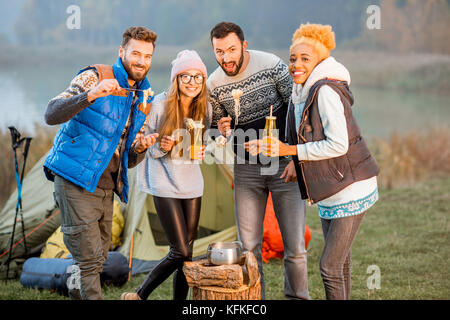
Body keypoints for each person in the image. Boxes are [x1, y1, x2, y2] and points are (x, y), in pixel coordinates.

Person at [252, 23, 380, 300]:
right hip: (331, 187)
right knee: (341, 263)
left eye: (305, 58)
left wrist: (289, 150)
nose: (296, 64)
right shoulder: (302, 92)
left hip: (350, 186)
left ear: (320, 60)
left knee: (329, 267)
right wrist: (294, 163)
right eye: (293, 58)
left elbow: (338, 144)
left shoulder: (325, 92)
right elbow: (308, 138)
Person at [43, 26, 159, 300]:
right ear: (122, 52)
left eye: (148, 56)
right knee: (89, 262)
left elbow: (128, 159)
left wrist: (139, 149)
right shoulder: (94, 76)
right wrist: (90, 95)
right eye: (136, 53)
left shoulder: (144, 97)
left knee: (99, 254)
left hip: (107, 187)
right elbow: (50, 113)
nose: (141, 61)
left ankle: (75, 291)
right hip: (74, 179)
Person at [208, 21, 309, 300]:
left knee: (295, 246)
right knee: (249, 247)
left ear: (244, 45)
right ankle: (255, 301)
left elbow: (298, 108)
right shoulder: (213, 83)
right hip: (246, 169)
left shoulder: (272, 65)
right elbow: (213, 129)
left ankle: (297, 297)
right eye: (219, 51)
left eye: (231, 49)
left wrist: (294, 157)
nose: (226, 57)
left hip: (282, 164)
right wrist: (221, 130)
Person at [120, 50, 210, 300]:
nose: (192, 83)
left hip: (192, 184)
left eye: (198, 77)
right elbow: (141, 145)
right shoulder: (158, 104)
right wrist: (161, 147)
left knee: (187, 256)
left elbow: (206, 141)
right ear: (176, 79)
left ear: (203, 80)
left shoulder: (205, 107)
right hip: (163, 183)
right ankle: (139, 295)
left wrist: (204, 148)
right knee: (180, 251)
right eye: (186, 76)